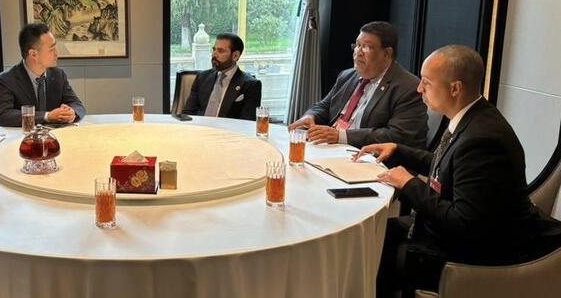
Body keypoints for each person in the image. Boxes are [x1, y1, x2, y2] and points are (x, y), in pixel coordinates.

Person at [355, 45, 561, 296]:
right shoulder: (472, 116)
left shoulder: (483, 140)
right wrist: (398, 150)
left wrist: (409, 184)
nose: (419, 89)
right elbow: (448, 164)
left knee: (372, 254)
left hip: (477, 252)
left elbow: (464, 223)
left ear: (455, 88)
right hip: (455, 231)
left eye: (426, 83)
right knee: (371, 237)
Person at [288, 21, 428, 148]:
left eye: (366, 47)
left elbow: (396, 136)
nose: (358, 52)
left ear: (386, 53)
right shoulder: (347, 76)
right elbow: (324, 106)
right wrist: (310, 116)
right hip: (331, 147)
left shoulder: (408, 87)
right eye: (357, 45)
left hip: (367, 156)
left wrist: (341, 136)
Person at [0, 23, 86, 127]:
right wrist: (47, 116)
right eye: (51, 49)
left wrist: (72, 113)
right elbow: (4, 115)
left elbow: (77, 105)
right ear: (33, 54)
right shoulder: (6, 79)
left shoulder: (58, 75)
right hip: (24, 135)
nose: (57, 53)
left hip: (55, 134)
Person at [182, 33, 262, 121]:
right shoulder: (202, 77)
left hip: (228, 129)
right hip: (199, 127)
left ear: (235, 56)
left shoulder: (251, 85)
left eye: (220, 51)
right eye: (214, 50)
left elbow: (247, 122)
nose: (214, 54)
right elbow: (188, 113)